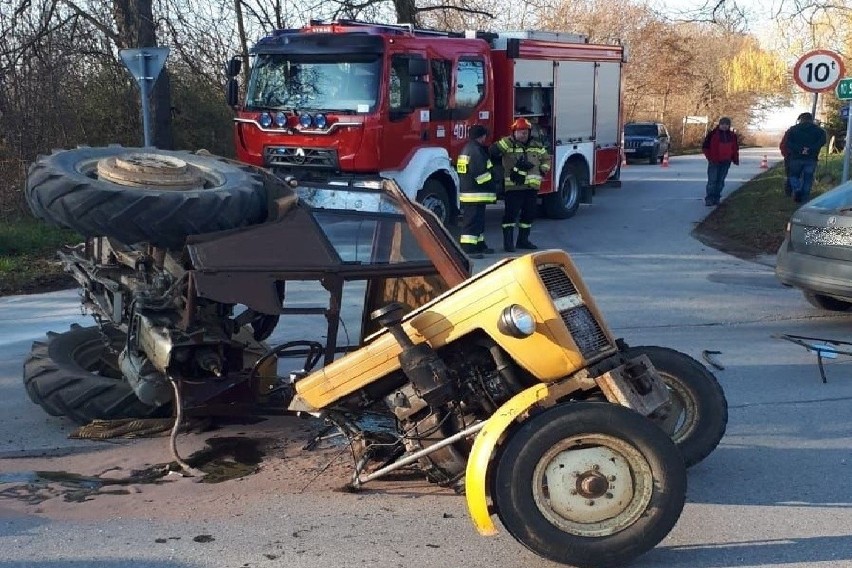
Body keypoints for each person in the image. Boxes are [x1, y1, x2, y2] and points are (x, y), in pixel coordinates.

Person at [490, 117, 551, 252]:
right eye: (519, 132)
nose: (523, 134)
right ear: (514, 132)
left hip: (531, 188)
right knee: (510, 216)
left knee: (529, 215)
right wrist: (507, 141)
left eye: (525, 132)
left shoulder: (537, 145)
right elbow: (493, 151)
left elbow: (546, 158)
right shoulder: (509, 143)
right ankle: (508, 243)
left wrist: (543, 169)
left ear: (529, 132)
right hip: (514, 187)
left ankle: (523, 241)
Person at [457, 124, 496, 256]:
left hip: (471, 192)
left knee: (478, 222)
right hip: (475, 193)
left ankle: (479, 245)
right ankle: (468, 249)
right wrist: (493, 183)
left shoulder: (468, 149)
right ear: (482, 136)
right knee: (471, 223)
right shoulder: (476, 151)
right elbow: (480, 174)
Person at [782, 112, 827, 203]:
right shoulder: (819, 131)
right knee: (808, 178)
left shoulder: (793, 129)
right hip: (811, 158)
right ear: (811, 120)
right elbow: (822, 142)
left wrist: (800, 149)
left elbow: (788, 143)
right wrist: (810, 149)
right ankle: (805, 198)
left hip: (796, 158)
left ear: (800, 119)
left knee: (793, 176)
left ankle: (797, 189)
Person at [702, 117, 740, 206]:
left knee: (720, 181)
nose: (724, 126)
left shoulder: (732, 136)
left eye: (726, 124)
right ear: (719, 125)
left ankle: (717, 197)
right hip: (714, 161)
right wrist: (710, 158)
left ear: (729, 125)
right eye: (722, 124)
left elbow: (735, 148)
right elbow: (705, 147)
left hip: (726, 161)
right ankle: (710, 198)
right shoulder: (713, 134)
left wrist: (735, 158)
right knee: (712, 180)